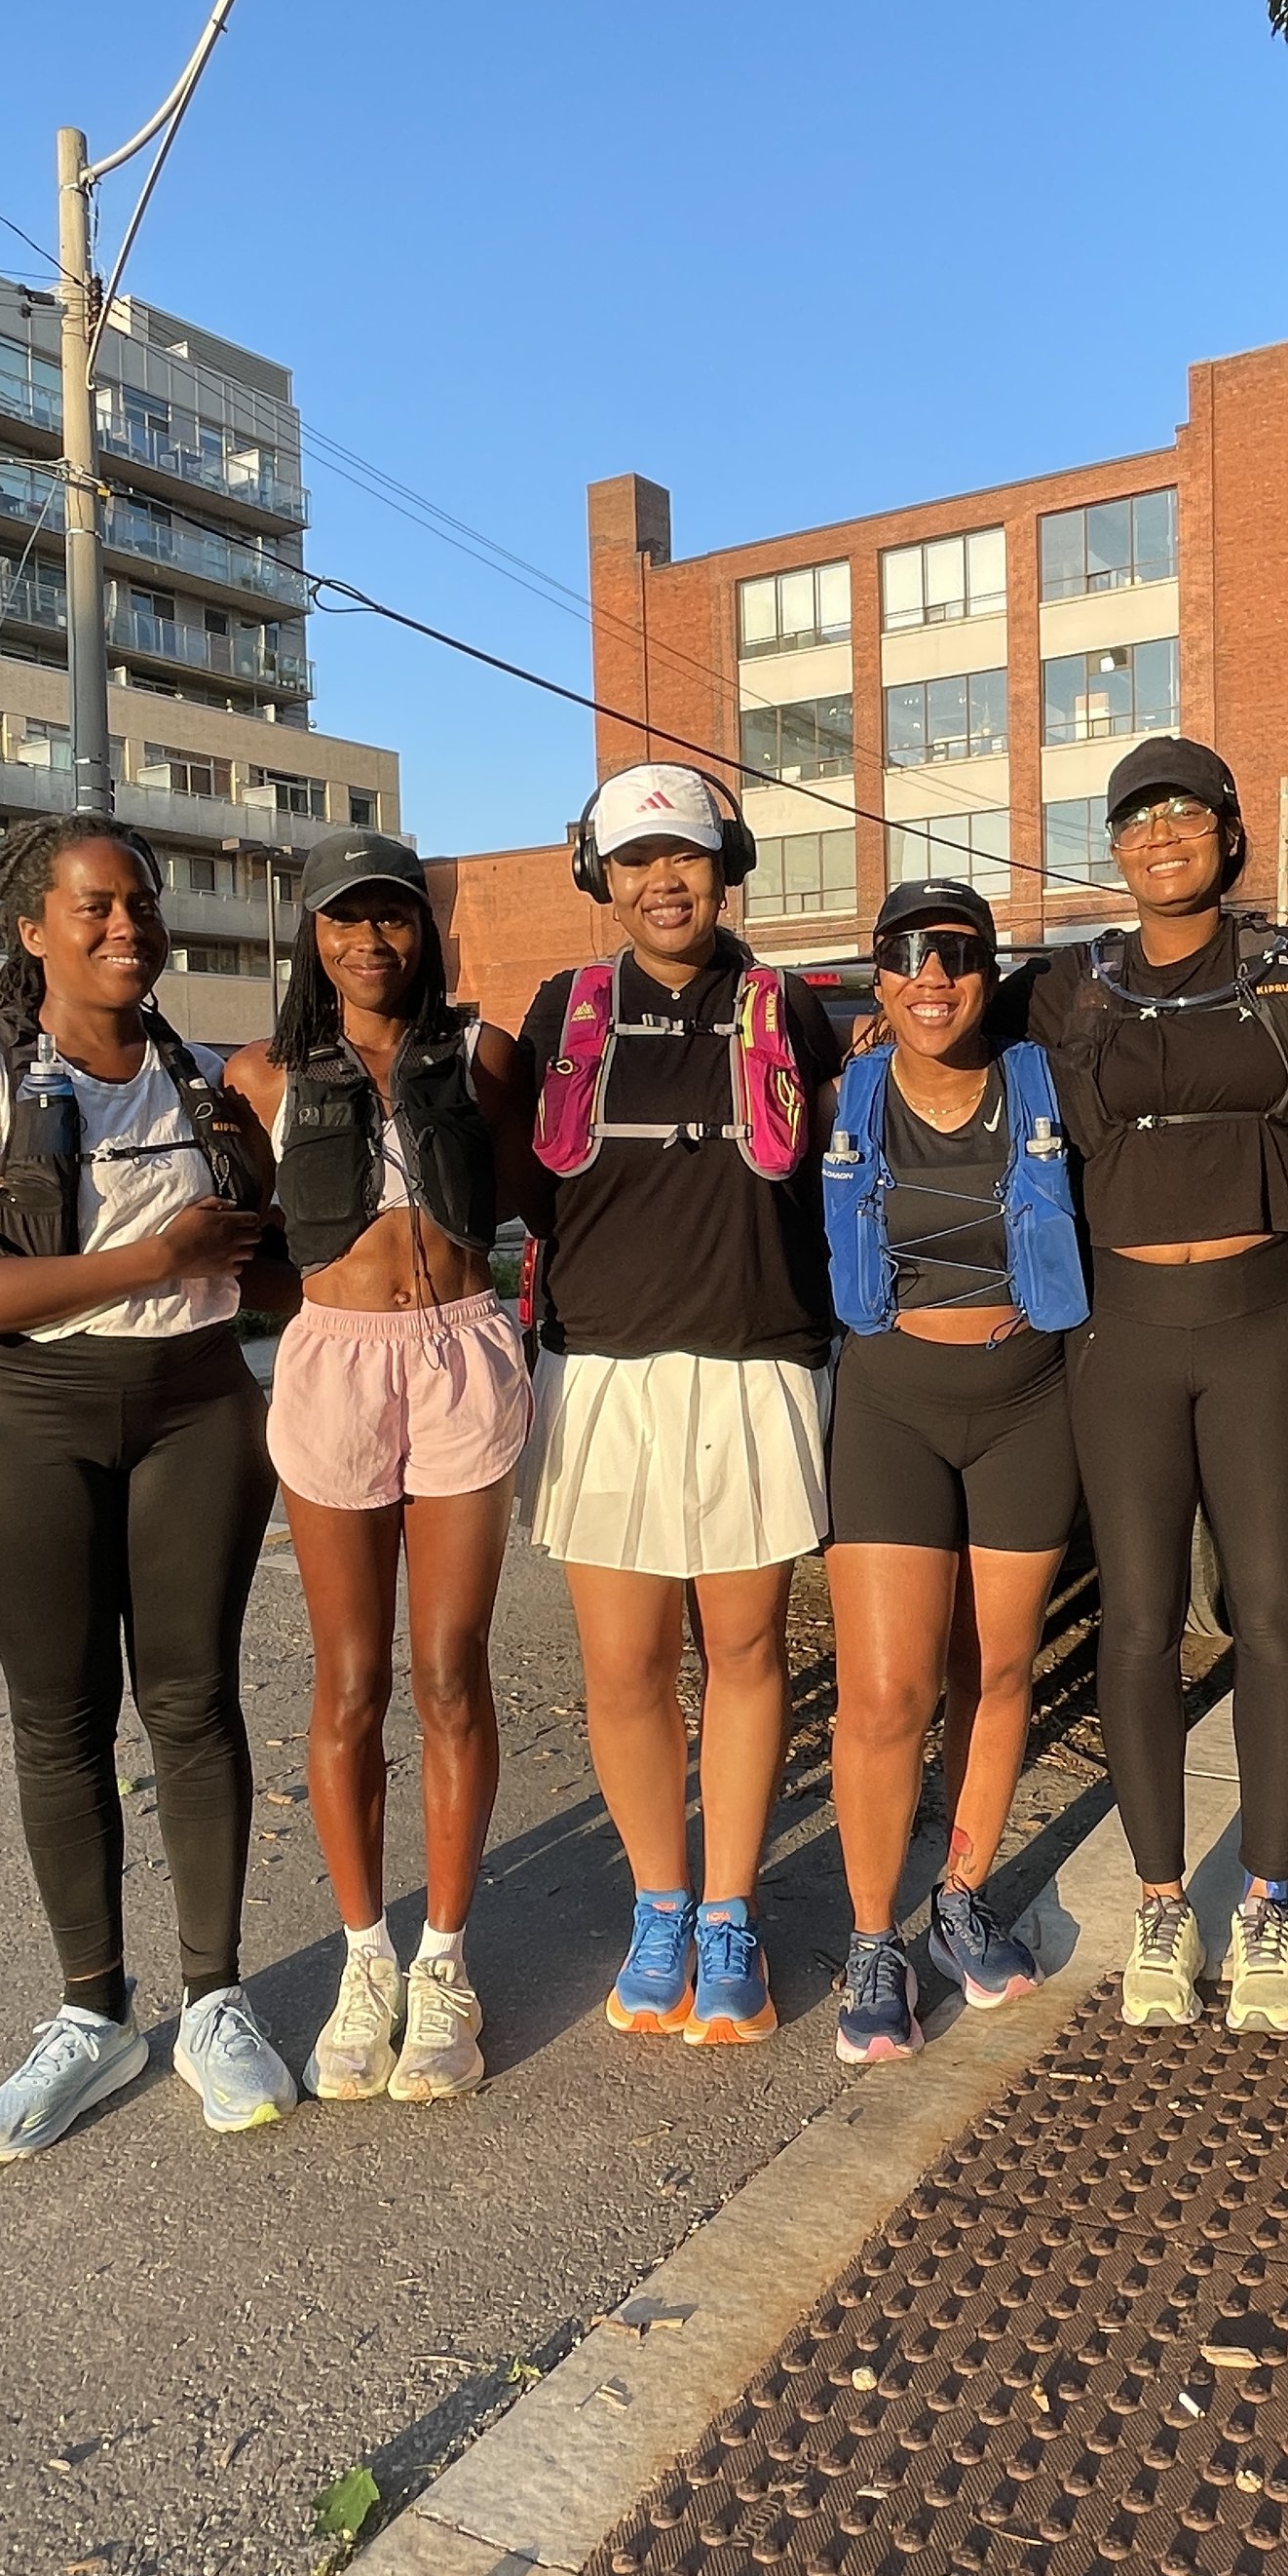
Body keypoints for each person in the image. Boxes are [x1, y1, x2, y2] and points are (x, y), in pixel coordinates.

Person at [0, 817, 296, 2160]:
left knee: (193, 1699)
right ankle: (90, 2015)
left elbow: (269, 1268)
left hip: (194, 1405)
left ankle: (216, 1998)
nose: (129, 928)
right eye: (97, 907)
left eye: (143, 906)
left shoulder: (202, 1079)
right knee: (58, 1718)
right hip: (25, 1417)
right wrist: (153, 1256)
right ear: (33, 927)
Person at [1015, 737, 1288, 2037]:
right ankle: (1166, 1898)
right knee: (1137, 1617)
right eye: (1134, 820)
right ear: (1112, 851)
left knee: (1275, 1611)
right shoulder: (1069, 985)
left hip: (1261, 1324)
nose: (1159, 835)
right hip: (1122, 1332)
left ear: (1230, 836)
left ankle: (1270, 1900)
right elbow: (932, 1035)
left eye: (1184, 814)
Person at [517, 764, 843, 2044]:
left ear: (728, 864)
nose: (667, 880)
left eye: (689, 856)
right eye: (639, 859)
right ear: (601, 874)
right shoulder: (561, 1009)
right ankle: (660, 1903)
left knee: (748, 1652)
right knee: (624, 1663)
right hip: (599, 1365)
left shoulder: (789, 1007)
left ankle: (728, 1913)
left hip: (757, 1358)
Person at [223, 827, 536, 2108]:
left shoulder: (483, 1054)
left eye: (392, 916)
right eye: (346, 919)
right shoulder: (259, 1073)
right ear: (313, 933)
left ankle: (447, 1961)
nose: (371, 941)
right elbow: (246, 1235)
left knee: (450, 1671)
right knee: (349, 1682)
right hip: (337, 1360)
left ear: (424, 928)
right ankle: (367, 1956)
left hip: (461, 1350)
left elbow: (540, 1187)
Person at [818, 880, 1091, 2062]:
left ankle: (960, 1902)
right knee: (884, 1695)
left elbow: (1199, 1106)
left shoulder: (1047, 1084)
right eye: (906, 955)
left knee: (998, 1667)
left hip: (1028, 1398)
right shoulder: (844, 1096)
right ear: (877, 975)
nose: (931, 976)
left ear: (990, 972)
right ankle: (873, 1938)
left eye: (957, 954)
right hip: (892, 1403)